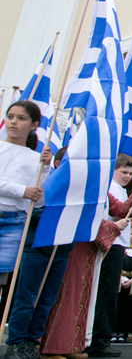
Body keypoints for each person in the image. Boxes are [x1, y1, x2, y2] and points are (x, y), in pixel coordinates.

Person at [39, 178, 132, 358]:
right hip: (72, 249)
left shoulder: (103, 193)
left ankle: (70, 345)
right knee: (67, 297)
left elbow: (122, 209)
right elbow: (81, 217)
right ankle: (52, 347)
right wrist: (113, 226)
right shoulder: (78, 190)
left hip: (90, 254)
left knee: (82, 299)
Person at [3, 142, 62, 359]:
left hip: (60, 250)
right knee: (26, 297)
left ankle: (32, 342)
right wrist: (58, 217)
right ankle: (16, 343)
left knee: (46, 300)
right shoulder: (48, 180)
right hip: (35, 247)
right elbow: (32, 211)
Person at [85, 155, 132, 357]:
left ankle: (101, 338)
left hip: (118, 244)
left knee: (109, 294)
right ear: (114, 171)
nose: (128, 176)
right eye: (124, 172)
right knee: (104, 294)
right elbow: (118, 212)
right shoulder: (110, 188)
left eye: (131, 173)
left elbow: (128, 210)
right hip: (108, 244)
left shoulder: (120, 189)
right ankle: (97, 341)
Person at [0, 101, 51, 293]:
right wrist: (22, 191)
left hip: (15, 222)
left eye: (21, 118)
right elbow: (25, 192)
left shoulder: (34, 158)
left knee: (3, 278)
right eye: (10, 116)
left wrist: (45, 168)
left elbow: (39, 200)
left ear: (34, 125)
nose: (13, 122)